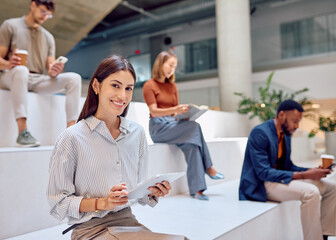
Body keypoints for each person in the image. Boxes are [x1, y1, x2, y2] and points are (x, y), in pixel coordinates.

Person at [47, 55, 186, 240]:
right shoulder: (71, 137)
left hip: (128, 223)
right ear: (96, 86)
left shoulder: (137, 133)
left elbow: (139, 191)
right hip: (89, 230)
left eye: (128, 88)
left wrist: (153, 192)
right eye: (115, 85)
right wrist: (103, 202)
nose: (123, 96)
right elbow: (59, 203)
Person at [239, 99, 336, 240]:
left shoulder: (285, 134)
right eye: (295, 121)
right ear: (282, 114)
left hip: (278, 179)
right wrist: (305, 175)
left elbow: (288, 166)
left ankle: (325, 234)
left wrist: (313, 171)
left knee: (332, 188)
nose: (297, 126)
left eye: (298, 122)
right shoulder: (260, 133)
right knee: (311, 192)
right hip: (261, 184)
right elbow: (263, 173)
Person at [0, 0, 81, 147]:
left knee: (74, 78)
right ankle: (23, 132)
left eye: (49, 15)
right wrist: (9, 64)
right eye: (43, 11)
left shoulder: (48, 37)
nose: (45, 17)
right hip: (11, 75)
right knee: (21, 70)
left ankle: (71, 132)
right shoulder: (10, 25)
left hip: (37, 78)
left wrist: (54, 70)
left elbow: (50, 67)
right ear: (33, 5)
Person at [142, 51, 224, 201]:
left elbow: (175, 114)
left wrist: (183, 115)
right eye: (170, 65)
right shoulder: (149, 85)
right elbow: (153, 111)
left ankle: (197, 190)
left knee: (192, 145)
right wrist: (175, 110)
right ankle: (209, 168)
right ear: (161, 64)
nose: (172, 69)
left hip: (173, 125)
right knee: (195, 127)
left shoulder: (172, 86)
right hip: (158, 128)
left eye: (175, 67)